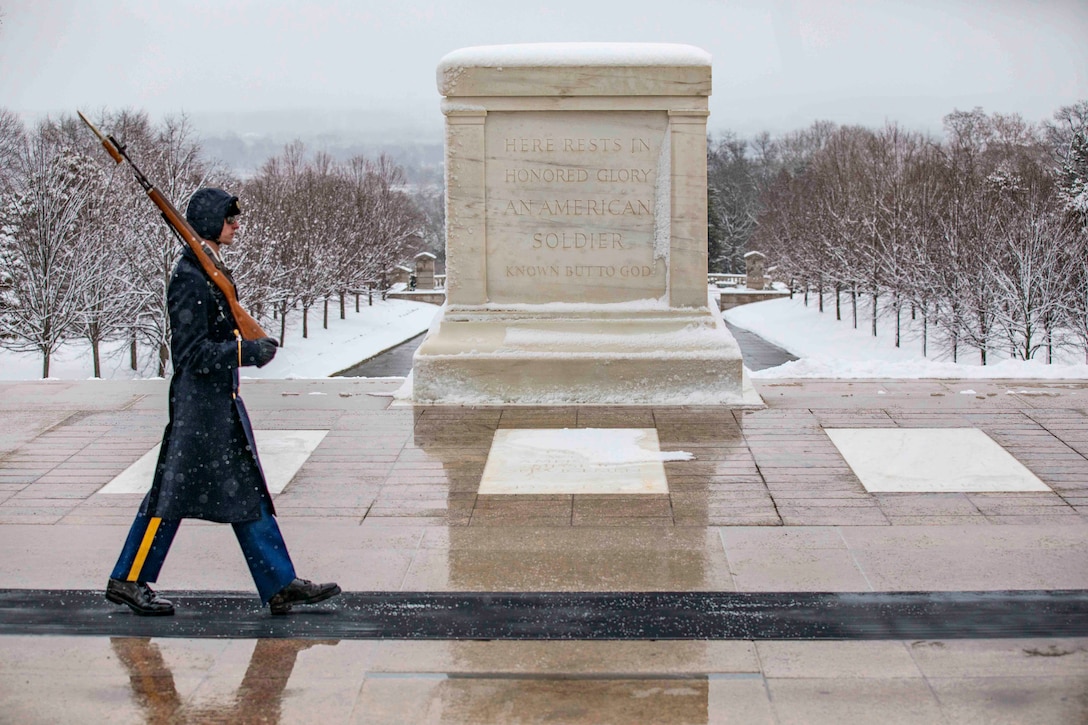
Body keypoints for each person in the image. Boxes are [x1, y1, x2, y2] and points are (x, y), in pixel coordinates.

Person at [106, 187, 340, 616]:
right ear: (212, 223)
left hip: (218, 404)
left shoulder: (208, 267)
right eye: (230, 219)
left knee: (245, 492)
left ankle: (280, 582)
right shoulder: (189, 276)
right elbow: (191, 355)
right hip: (199, 408)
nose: (236, 226)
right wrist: (245, 353)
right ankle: (128, 578)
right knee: (169, 496)